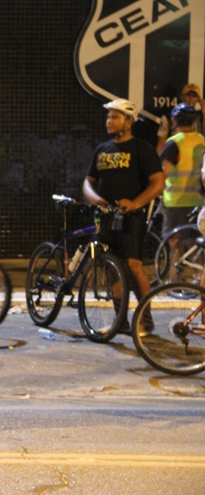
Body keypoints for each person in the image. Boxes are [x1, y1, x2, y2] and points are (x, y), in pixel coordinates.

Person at [82, 98, 165, 329]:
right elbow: (87, 182)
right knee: (112, 266)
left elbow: (158, 183)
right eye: (108, 117)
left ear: (129, 122)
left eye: (115, 117)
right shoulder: (102, 149)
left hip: (132, 217)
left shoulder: (142, 149)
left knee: (133, 265)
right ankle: (120, 322)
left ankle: (145, 321)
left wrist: (136, 203)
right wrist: (95, 199)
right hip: (108, 217)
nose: (109, 121)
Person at [159, 103, 205, 281]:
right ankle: (198, 281)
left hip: (176, 201)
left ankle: (174, 282)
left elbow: (165, 172)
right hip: (200, 202)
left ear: (174, 120)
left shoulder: (174, 142)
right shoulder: (201, 140)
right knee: (198, 245)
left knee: (175, 245)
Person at [157, 83, 205, 153]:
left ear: (198, 99)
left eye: (194, 96)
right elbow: (161, 143)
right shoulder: (169, 116)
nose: (190, 99)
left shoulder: (200, 116)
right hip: (175, 154)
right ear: (182, 96)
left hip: (195, 156)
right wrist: (157, 162)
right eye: (188, 95)